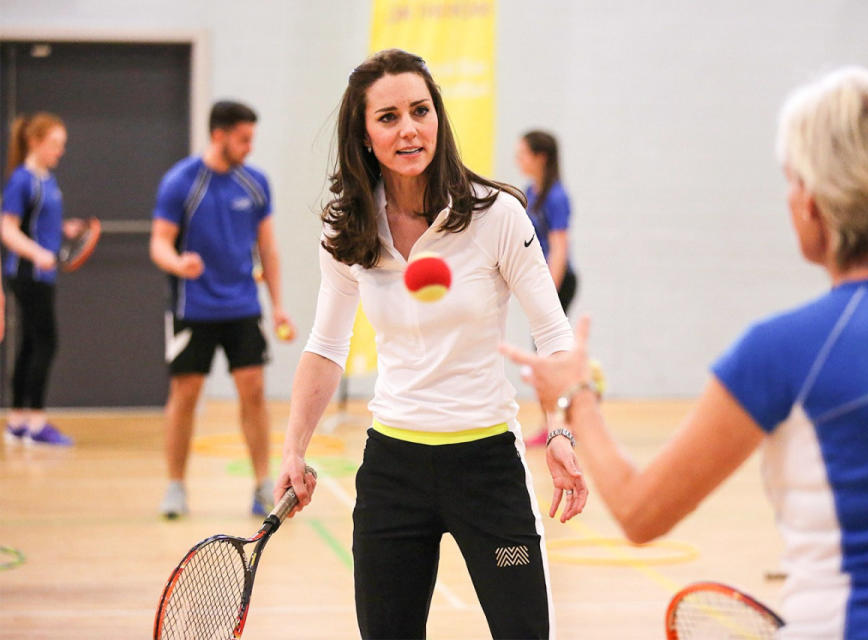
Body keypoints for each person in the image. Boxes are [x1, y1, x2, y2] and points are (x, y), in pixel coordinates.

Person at [502, 67, 868, 639]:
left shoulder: (786, 350)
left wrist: (573, 396)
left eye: (792, 179)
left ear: (815, 200)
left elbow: (641, 511)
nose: (789, 195)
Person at [275, 49, 587, 640]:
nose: (409, 128)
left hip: (488, 470)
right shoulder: (348, 227)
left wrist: (562, 431)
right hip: (393, 472)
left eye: (420, 110)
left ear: (438, 120)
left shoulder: (498, 215)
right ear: (364, 134)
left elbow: (552, 333)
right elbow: (325, 346)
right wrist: (294, 446)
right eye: (388, 117)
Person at [150, 100, 293, 519]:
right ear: (219, 135)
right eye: (243, 138)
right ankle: (175, 486)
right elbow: (159, 241)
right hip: (192, 307)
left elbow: (267, 248)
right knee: (186, 394)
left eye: (252, 138)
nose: (249, 147)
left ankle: (263, 484)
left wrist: (279, 306)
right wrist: (178, 263)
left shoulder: (256, 183)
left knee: (254, 391)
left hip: (243, 306)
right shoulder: (181, 182)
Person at [2, 112, 77, 445]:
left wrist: (64, 229)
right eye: (55, 144)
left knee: (31, 344)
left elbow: (39, 224)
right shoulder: (22, 179)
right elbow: (7, 228)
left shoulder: (47, 179)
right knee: (47, 342)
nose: (59, 151)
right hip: (27, 273)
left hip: (42, 274)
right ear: (35, 141)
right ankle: (36, 423)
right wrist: (37, 254)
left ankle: (17, 421)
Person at [514, 130, 577, 447]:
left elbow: (559, 246)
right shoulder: (531, 191)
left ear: (541, 157)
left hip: (557, 281)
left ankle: (559, 424)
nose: (517, 159)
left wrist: (548, 292)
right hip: (541, 281)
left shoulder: (556, 196)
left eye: (523, 153)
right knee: (543, 357)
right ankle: (554, 421)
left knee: (548, 355)